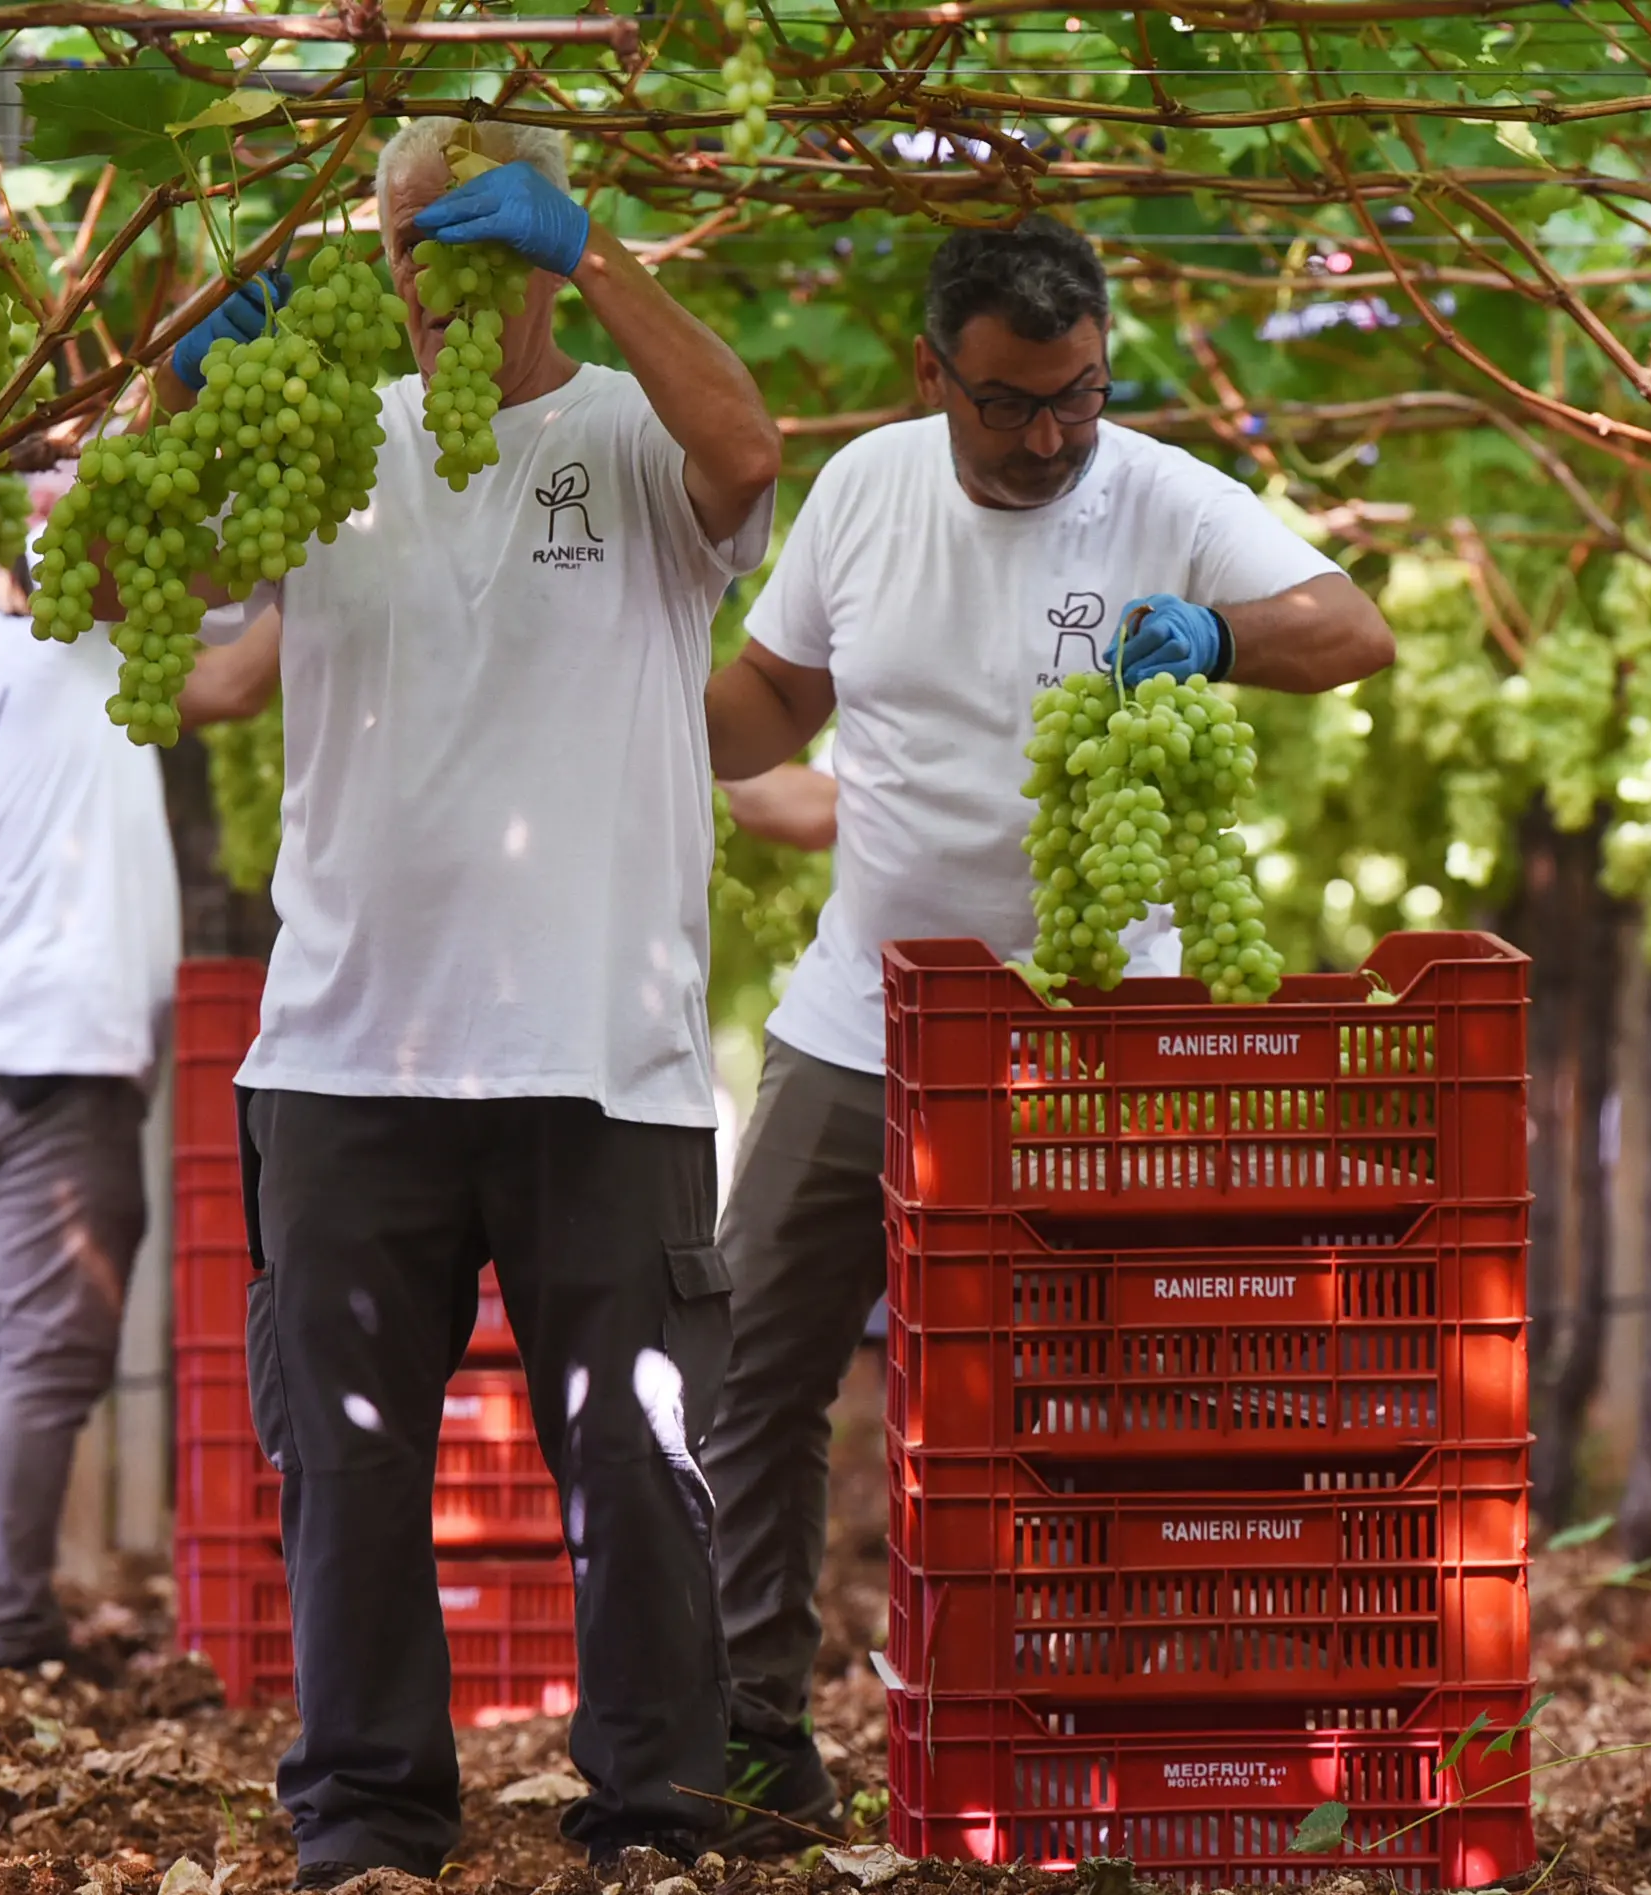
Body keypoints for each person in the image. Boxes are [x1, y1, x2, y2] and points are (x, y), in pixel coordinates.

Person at [696, 212, 1397, 1842]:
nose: (1049, 437)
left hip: (1095, 1039)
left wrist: (1220, 637)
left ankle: (1088, 1724)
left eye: (1076, 395)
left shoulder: (1148, 487)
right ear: (930, 374)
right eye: (1008, 404)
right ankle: (747, 1733)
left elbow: (1352, 630)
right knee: (751, 1371)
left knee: (1101, 1397)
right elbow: (767, 708)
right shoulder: (865, 487)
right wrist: (617, 684)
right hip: (860, 1014)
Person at [155, 116, 780, 1886]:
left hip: (604, 1060)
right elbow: (128, 595)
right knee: (345, 1471)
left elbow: (745, 444)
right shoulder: (318, 446)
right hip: (350, 1050)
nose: (425, 272)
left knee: (639, 1470)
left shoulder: (624, 439)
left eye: (463, 234)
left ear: (528, 244)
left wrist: (595, 256)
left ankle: (656, 1820)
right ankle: (365, 1819)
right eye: (401, 238)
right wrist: (178, 396)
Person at [0, 552, 182, 1673]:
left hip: (4, 1044)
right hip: (60, 1049)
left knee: (10, 1350)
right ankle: (0, 1627)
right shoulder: (68, 638)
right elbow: (226, 671)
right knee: (48, 1351)